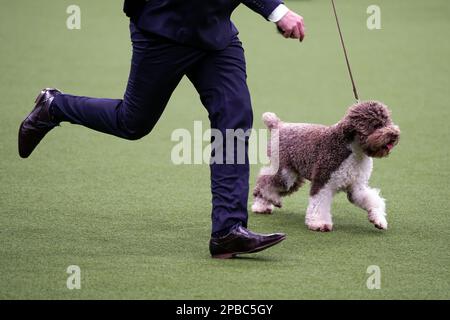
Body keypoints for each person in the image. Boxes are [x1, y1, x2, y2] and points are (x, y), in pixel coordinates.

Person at [18, 0, 306, 259]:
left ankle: (227, 231)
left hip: (215, 32)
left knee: (235, 116)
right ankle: (53, 106)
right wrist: (275, 10)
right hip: (165, 26)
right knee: (132, 122)